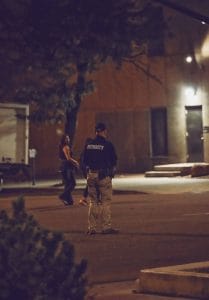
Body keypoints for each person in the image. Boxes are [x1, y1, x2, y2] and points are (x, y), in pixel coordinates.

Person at [83, 122, 118, 235]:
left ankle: (91, 228)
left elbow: (84, 161)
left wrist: (87, 175)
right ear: (103, 131)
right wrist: (111, 173)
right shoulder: (108, 145)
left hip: (91, 174)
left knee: (93, 201)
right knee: (105, 202)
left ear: (95, 132)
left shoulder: (89, 145)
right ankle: (106, 227)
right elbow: (114, 161)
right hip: (103, 175)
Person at [59, 134, 79, 205]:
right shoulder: (66, 147)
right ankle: (63, 196)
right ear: (64, 140)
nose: (68, 139)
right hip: (67, 167)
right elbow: (68, 158)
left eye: (68, 138)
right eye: (66, 138)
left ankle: (69, 200)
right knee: (73, 183)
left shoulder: (62, 147)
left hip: (64, 167)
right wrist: (75, 162)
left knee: (68, 184)